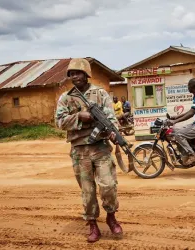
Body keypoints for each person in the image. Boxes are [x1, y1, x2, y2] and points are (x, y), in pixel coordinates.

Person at [55, 58, 123, 243]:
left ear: (86, 74)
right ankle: (92, 224)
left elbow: (110, 117)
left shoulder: (100, 94)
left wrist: (113, 133)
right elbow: (59, 122)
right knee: (88, 191)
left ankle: (111, 216)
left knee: (108, 185)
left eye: (77, 72)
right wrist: (79, 116)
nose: (74, 76)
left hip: (100, 148)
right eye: (71, 73)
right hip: (80, 150)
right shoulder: (66, 98)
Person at [168, 78, 195, 165]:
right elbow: (190, 111)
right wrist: (176, 117)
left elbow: (191, 114)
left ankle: (192, 155)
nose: (187, 87)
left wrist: (175, 121)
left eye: (188, 86)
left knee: (178, 134)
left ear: (192, 87)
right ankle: (187, 151)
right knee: (177, 130)